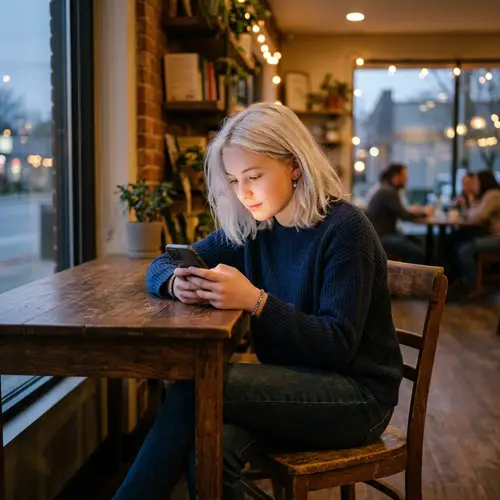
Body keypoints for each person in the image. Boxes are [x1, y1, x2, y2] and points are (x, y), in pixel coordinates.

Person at [112, 103, 404, 500]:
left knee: (199, 386)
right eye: (233, 180)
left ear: (295, 166)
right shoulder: (256, 228)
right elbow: (163, 262)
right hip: (292, 385)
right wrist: (174, 285)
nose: (243, 192)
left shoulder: (345, 228)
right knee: (208, 449)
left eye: (254, 176)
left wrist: (255, 301)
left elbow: (337, 345)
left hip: (358, 399)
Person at [366, 163, 430, 264]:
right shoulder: (388, 192)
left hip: (380, 235)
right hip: (382, 237)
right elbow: (404, 216)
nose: (406, 179)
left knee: (418, 242)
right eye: (404, 176)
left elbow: (402, 213)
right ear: (396, 176)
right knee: (418, 252)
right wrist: (424, 213)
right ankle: (408, 278)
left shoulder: (386, 189)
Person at [450, 170, 500, 296]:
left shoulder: (493, 195)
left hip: (497, 238)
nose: (475, 185)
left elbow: (479, 216)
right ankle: (463, 281)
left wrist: (470, 210)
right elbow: (474, 213)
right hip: (492, 235)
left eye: (476, 182)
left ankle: (472, 286)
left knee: (464, 249)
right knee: (456, 241)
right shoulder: (488, 195)